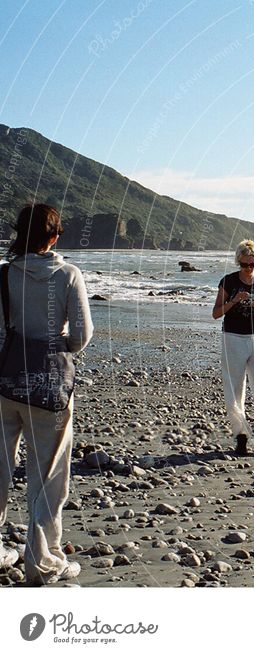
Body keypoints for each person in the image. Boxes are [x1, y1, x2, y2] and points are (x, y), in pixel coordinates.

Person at [0, 204, 94, 584]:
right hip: (50, 386)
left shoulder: (4, 275)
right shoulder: (68, 275)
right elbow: (82, 336)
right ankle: (41, 561)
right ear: (54, 236)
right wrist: (61, 344)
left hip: (5, 381)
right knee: (48, 473)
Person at [212, 240, 254, 455]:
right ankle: (240, 435)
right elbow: (216, 313)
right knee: (234, 387)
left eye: (252, 264)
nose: (249, 269)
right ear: (238, 262)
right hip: (233, 338)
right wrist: (233, 300)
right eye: (244, 264)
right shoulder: (228, 281)